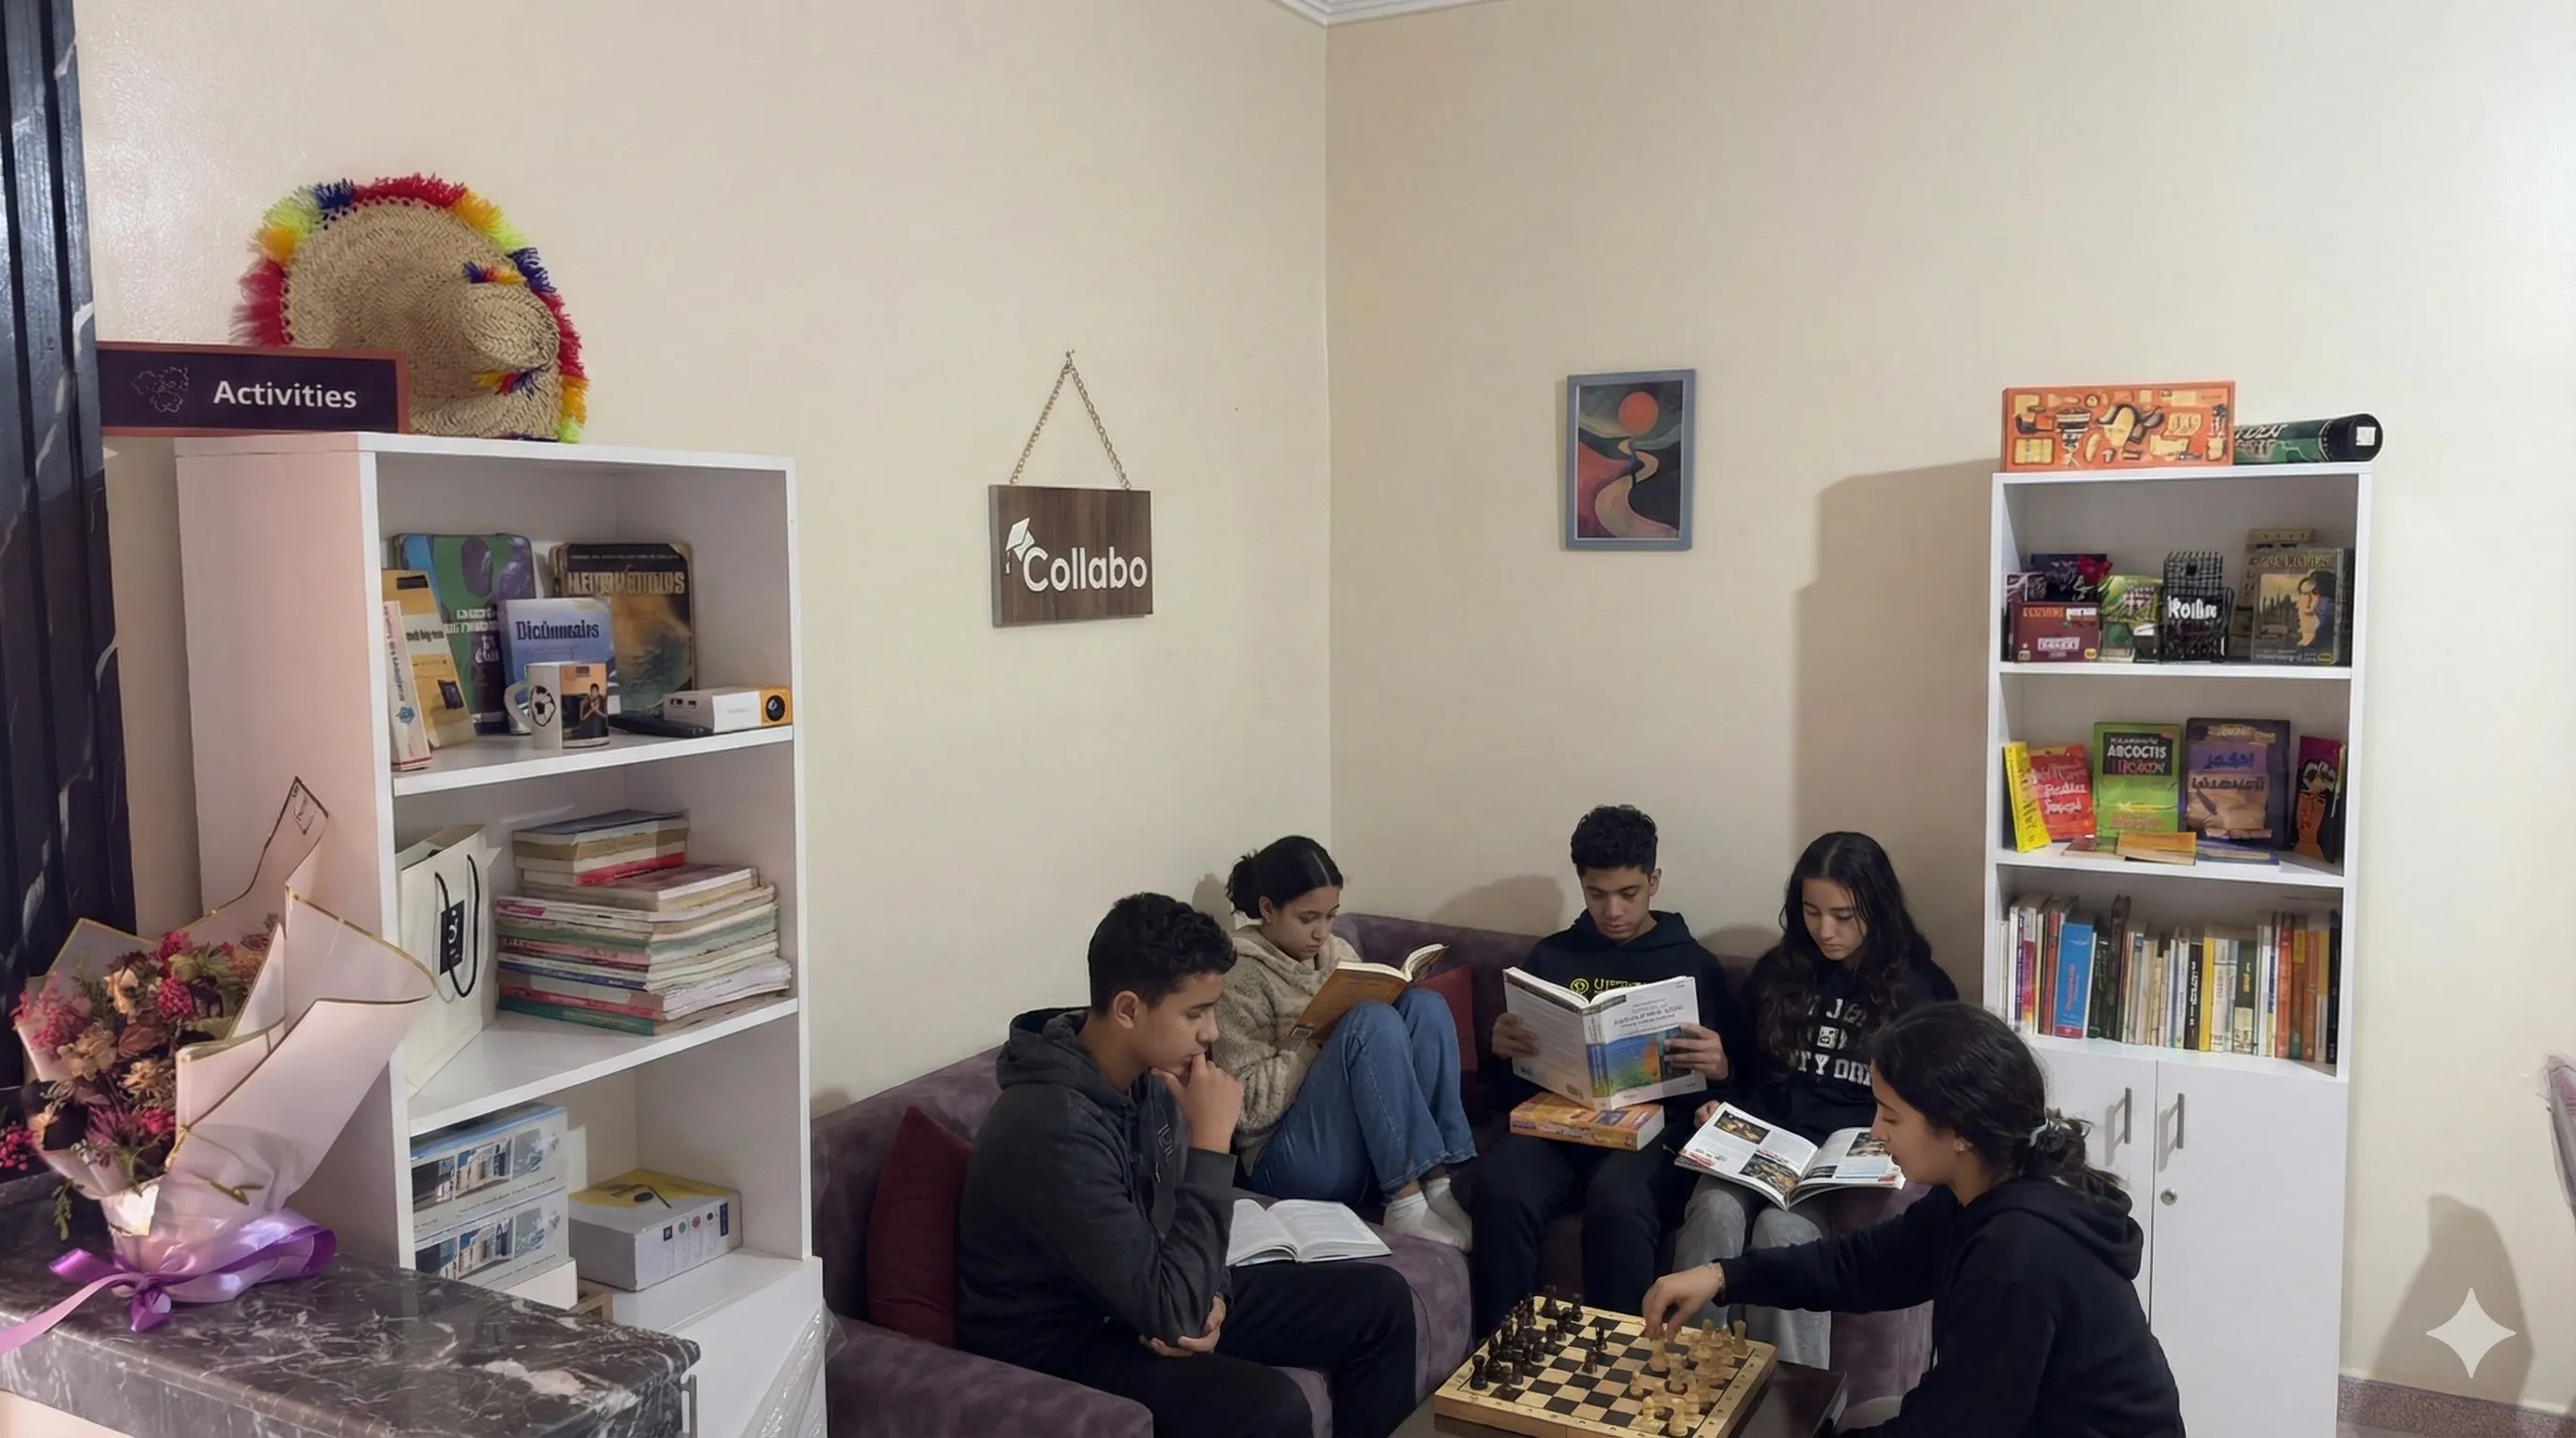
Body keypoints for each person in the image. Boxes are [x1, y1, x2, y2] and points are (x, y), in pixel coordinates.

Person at [955, 894, 1420, 1438]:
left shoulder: (1148, 1073)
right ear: (1128, 1009)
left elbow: (1173, 1217)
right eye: (1195, 1013)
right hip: (1064, 1337)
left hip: (1145, 1289)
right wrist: (1211, 1146)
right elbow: (1169, 1313)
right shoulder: (1052, 1126)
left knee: (1379, 1303)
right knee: (1269, 1407)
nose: (1212, 1034)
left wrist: (1216, 1292)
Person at [1641, 1003, 2185, 1437]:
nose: (1876, 1132)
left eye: (1891, 1115)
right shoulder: (1982, 1187)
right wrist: (1722, 1275)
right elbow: (1862, 1264)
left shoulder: (2018, 1255)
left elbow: (1957, 1426)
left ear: (1960, 1131)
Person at [1669, 831, 1958, 1365]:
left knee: (1784, 1233)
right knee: (1713, 1210)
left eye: (1844, 916)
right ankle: (1690, 1373)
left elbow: (1930, 1098)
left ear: (1878, 908)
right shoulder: (1779, 973)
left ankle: (1789, 1402)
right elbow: (1742, 1065)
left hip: (1837, 1155)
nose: (1826, 930)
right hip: (1762, 1140)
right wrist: (1722, 1101)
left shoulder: (1919, 989)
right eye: (1811, 911)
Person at [1467, 805, 1736, 1333]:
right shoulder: (1551, 958)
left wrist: (1723, 1066)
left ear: (1654, 882)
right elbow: (1509, 1091)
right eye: (1596, 894)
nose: (1612, 910)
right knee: (1500, 1183)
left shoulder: (1693, 964)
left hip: (1654, 1132)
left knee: (1618, 1200)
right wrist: (1502, 1050)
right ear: (1582, 886)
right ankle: (1505, 1345)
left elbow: (1734, 1087)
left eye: (1628, 894)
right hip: (1563, 1125)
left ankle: (1619, 1354)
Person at [1211, 836, 1476, 1247]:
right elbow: (1245, 1109)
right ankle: (1404, 1203)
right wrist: (1320, 1042)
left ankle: (1438, 1184)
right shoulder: (1238, 973)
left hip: (1366, 1148)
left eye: (1331, 916)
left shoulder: (1338, 952)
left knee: (1425, 1006)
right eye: (1307, 918)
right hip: (1285, 1159)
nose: (1321, 932)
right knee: (1369, 1020)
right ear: (1267, 909)